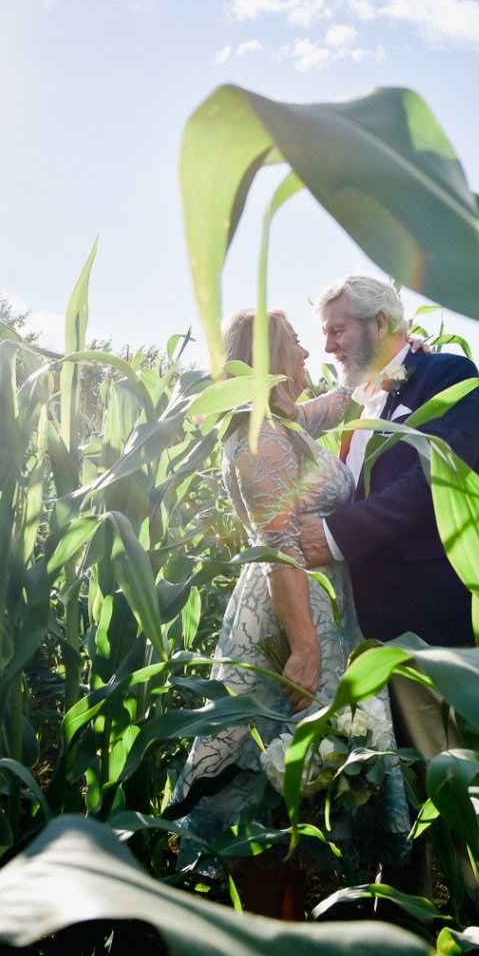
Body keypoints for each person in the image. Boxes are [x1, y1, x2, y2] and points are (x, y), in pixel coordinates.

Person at [168, 307, 409, 919]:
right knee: (265, 788)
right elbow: (277, 550)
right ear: (273, 358)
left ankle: (288, 936)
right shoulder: (259, 439)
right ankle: (260, 949)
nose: (308, 355)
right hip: (289, 620)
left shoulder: (286, 423)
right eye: (299, 345)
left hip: (321, 612)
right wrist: (303, 649)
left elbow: (338, 402)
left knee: (296, 796)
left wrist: (383, 362)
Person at [297, 275, 479, 903]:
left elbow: (435, 478)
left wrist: (337, 535)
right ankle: (405, 903)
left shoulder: (445, 375)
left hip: (423, 614)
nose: (327, 343)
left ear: (380, 323)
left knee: (445, 763)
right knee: (393, 770)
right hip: (362, 621)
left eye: (337, 329)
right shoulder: (356, 399)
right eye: (323, 331)